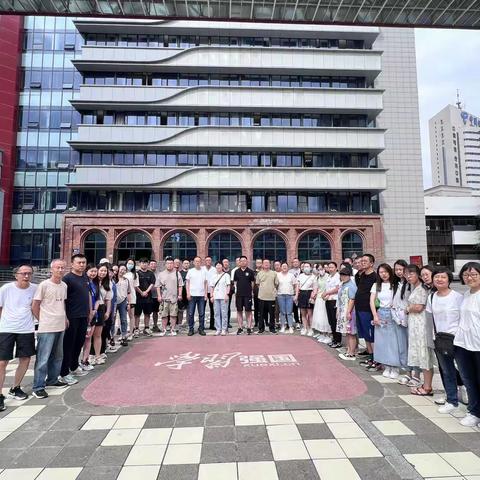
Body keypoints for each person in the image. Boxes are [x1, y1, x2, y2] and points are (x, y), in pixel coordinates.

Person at [427, 267, 464, 413]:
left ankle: (469, 398)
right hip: (440, 339)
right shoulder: (432, 297)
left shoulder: (457, 297)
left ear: (449, 279)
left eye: (443, 277)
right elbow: (430, 319)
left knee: (464, 371)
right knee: (447, 370)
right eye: (436, 277)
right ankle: (452, 400)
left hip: (458, 339)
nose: (439, 279)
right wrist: (431, 338)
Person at [0, 265, 37, 409]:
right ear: (16, 275)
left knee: (25, 359)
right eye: (23, 273)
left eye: (29, 273)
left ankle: (15, 387)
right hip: (7, 328)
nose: (26, 276)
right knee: (3, 362)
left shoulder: (35, 288)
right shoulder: (6, 289)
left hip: (26, 328)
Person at [32, 259, 69, 398]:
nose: (60, 270)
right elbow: (35, 305)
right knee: (43, 358)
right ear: (52, 269)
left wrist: (65, 318)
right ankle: (38, 386)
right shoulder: (44, 285)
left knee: (58, 356)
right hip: (47, 326)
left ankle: (52, 379)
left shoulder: (64, 285)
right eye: (58, 267)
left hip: (60, 325)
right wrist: (42, 320)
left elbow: (62, 304)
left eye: (62, 268)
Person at [454, 262, 480, 427]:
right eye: (466, 275)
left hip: (478, 345)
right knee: (469, 380)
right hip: (463, 344)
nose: (470, 278)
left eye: (474, 274)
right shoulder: (466, 295)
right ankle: (474, 411)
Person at [370, 264, 405, 379]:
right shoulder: (376, 285)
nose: (383, 274)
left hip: (393, 314)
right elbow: (372, 301)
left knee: (393, 341)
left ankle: (395, 366)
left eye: (385, 271)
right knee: (382, 341)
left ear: (390, 272)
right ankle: (386, 365)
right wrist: (375, 316)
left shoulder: (395, 285)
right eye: (381, 272)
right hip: (381, 314)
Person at [60, 254, 91, 385]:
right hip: (72, 316)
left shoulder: (85, 277)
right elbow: (63, 300)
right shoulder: (67, 279)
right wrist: (65, 316)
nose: (82, 265)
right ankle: (64, 372)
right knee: (68, 344)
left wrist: (89, 312)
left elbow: (87, 295)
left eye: (83, 262)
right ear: (72, 264)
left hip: (83, 315)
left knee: (79, 342)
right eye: (79, 263)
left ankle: (74, 366)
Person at [406, 264, 435, 396]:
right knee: (421, 354)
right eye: (407, 274)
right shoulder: (417, 287)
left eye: (411, 273)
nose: (408, 276)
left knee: (425, 355)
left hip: (421, 326)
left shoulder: (422, 289)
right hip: (416, 325)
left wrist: (407, 308)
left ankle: (427, 386)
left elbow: (419, 307)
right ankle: (425, 384)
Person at [355, 254, 377, 367]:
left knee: (370, 334)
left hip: (368, 309)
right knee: (364, 334)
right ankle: (370, 355)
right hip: (359, 308)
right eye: (361, 261)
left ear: (371, 263)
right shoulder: (362, 275)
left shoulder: (375, 277)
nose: (362, 263)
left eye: (365, 261)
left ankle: (375, 359)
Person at [90, 263, 113, 365]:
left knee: (98, 334)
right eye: (101, 270)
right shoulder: (91, 282)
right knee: (90, 334)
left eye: (105, 271)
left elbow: (108, 300)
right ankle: (90, 356)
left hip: (101, 309)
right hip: (91, 309)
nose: (103, 272)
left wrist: (108, 312)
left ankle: (98, 355)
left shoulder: (107, 284)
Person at [156, 256, 183, 336]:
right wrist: (159, 296)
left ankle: (172, 329)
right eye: (168, 263)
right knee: (164, 315)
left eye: (171, 263)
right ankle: (164, 329)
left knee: (173, 315)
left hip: (174, 298)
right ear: (165, 264)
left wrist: (180, 294)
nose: (170, 265)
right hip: (164, 298)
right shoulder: (161, 274)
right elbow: (158, 286)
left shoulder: (177, 273)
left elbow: (180, 285)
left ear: (173, 264)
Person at [336, 265, 358, 361]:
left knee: (351, 333)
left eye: (345, 275)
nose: (343, 277)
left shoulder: (351, 285)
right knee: (348, 333)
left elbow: (352, 299)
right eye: (341, 275)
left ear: (349, 276)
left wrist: (348, 312)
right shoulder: (343, 285)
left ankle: (352, 353)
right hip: (343, 310)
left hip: (350, 311)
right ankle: (349, 350)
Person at [80, 264, 98, 371]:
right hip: (84, 314)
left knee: (89, 338)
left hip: (94, 314)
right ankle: (76, 363)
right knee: (81, 339)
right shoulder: (84, 283)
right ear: (87, 271)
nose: (93, 273)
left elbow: (97, 298)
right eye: (91, 271)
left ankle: (84, 360)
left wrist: (94, 310)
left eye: (95, 271)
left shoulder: (95, 284)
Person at [186, 256, 208, 336]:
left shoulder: (204, 271)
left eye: (199, 261)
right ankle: (191, 329)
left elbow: (206, 283)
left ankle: (201, 329)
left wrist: (205, 294)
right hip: (192, 295)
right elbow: (187, 283)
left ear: (201, 262)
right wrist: (188, 293)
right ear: (194, 262)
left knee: (201, 313)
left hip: (201, 295)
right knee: (191, 313)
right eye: (196, 261)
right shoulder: (190, 271)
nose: (197, 263)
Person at [233, 256, 256, 335]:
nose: (243, 262)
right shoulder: (236, 271)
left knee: (248, 311)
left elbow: (252, 283)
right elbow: (235, 283)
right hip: (239, 295)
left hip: (248, 295)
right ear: (239, 262)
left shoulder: (250, 271)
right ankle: (240, 327)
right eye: (241, 261)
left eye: (244, 261)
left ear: (247, 262)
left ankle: (249, 327)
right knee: (239, 311)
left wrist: (250, 291)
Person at [134, 258, 156, 336]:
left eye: (146, 263)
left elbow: (152, 283)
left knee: (147, 314)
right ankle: (136, 329)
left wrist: (146, 291)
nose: (144, 264)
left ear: (148, 264)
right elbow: (135, 285)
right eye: (143, 263)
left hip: (148, 297)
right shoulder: (136, 273)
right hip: (138, 297)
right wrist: (141, 292)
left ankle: (146, 328)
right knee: (137, 314)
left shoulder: (151, 274)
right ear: (139, 264)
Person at [256, 259, 279, 334]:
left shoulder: (274, 273)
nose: (266, 264)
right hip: (262, 297)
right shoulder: (259, 273)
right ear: (262, 264)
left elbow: (276, 283)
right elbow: (258, 284)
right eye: (264, 263)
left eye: (267, 263)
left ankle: (272, 328)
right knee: (261, 314)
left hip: (271, 297)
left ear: (270, 264)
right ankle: (261, 328)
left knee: (272, 314)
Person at [323, 262, 341, 348]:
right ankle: (334, 339)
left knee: (335, 321)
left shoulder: (338, 276)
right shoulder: (329, 277)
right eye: (329, 267)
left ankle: (338, 341)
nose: (330, 269)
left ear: (336, 268)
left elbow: (337, 288)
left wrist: (327, 293)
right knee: (331, 321)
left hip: (334, 300)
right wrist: (325, 295)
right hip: (328, 300)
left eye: (332, 267)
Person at [295, 262, 316, 336]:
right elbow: (297, 286)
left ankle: (310, 329)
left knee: (310, 313)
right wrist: (296, 296)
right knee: (303, 313)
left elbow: (315, 288)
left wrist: (312, 296)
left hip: (309, 294)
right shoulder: (300, 276)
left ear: (311, 267)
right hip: (302, 294)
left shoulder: (313, 276)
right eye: (305, 266)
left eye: (308, 266)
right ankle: (305, 328)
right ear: (303, 268)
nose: (306, 268)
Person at [210, 262, 231, 335]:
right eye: (217, 266)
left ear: (222, 267)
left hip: (223, 296)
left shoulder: (226, 275)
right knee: (216, 313)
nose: (218, 267)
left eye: (219, 266)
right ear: (215, 267)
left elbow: (228, 286)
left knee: (224, 313)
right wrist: (211, 296)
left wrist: (227, 294)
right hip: (216, 297)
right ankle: (218, 328)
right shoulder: (213, 276)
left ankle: (224, 329)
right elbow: (212, 287)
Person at [276, 262, 296, 333]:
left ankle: (290, 326)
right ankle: (282, 326)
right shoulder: (278, 275)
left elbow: (294, 285)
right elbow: (276, 285)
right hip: (280, 295)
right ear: (281, 267)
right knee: (282, 312)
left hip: (289, 296)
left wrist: (294, 294)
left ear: (288, 267)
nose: (284, 267)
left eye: (285, 266)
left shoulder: (291, 275)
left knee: (289, 312)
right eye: (283, 266)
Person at [312, 265, 330, 343]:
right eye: (319, 269)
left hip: (325, 298)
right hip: (319, 299)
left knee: (325, 317)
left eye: (322, 269)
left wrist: (327, 295)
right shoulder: (317, 277)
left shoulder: (328, 277)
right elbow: (316, 288)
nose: (320, 271)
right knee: (319, 317)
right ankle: (322, 333)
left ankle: (328, 335)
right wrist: (313, 295)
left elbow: (329, 288)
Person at [115, 264, 131, 347]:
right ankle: (111, 337)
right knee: (112, 320)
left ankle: (124, 336)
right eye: (121, 269)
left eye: (124, 270)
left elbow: (128, 292)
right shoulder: (114, 279)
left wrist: (129, 303)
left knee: (124, 319)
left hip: (123, 301)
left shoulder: (126, 280)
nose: (122, 271)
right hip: (114, 302)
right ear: (118, 270)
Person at [124, 258, 138, 339]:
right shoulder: (122, 272)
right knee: (122, 316)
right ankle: (123, 332)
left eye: (132, 264)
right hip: (122, 297)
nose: (130, 265)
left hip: (131, 297)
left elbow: (135, 287)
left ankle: (131, 332)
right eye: (129, 263)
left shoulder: (135, 274)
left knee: (131, 315)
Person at [203, 256, 216, 330]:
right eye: (207, 260)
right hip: (203, 292)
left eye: (209, 260)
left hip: (212, 292)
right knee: (202, 309)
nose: (208, 261)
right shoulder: (202, 269)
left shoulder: (214, 269)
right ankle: (202, 325)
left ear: (211, 261)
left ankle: (212, 325)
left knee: (212, 309)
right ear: (205, 261)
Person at [148, 260, 161, 333]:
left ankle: (155, 325)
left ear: (156, 265)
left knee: (155, 312)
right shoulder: (147, 273)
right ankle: (147, 327)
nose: (153, 265)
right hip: (147, 296)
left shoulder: (159, 274)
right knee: (147, 313)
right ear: (149, 265)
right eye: (151, 264)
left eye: (154, 264)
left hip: (156, 296)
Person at [289, 258, 302, 328]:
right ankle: (297, 322)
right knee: (295, 308)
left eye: (297, 262)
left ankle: (303, 322)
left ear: (299, 263)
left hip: (302, 291)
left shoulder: (302, 271)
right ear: (292, 263)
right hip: (293, 292)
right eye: (294, 262)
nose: (295, 263)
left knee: (303, 308)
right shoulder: (290, 272)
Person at [177, 259, 190, 326]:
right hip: (181, 294)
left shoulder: (191, 272)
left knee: (189, 310)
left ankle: (188, 323)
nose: (186, 264)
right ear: (182, 264)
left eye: (187, 263)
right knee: (180, 310)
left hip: (189, 294)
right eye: (185, 263)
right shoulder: (179, 273)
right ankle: (179, 324)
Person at [222, 258, 234, 328]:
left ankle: (227, 322)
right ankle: (222, 322)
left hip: (229, 293)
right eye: (224, 262)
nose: (226, 263)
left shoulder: (231, 271)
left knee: (228, 307)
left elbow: (232, 282)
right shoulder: (220, 271)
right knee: (221, 308)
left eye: (227, 262)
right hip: (221, 292)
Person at [253, 258, 263, 328]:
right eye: (257, 263)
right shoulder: (253, 272)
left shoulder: (264, 272)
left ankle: (265, 321)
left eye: (260, 263)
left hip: (264, 293)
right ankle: (256, 322)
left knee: (264, 308)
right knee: (256, 308)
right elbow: (252, 283)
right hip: (256, 293)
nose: (259, 264)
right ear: (255, 264)